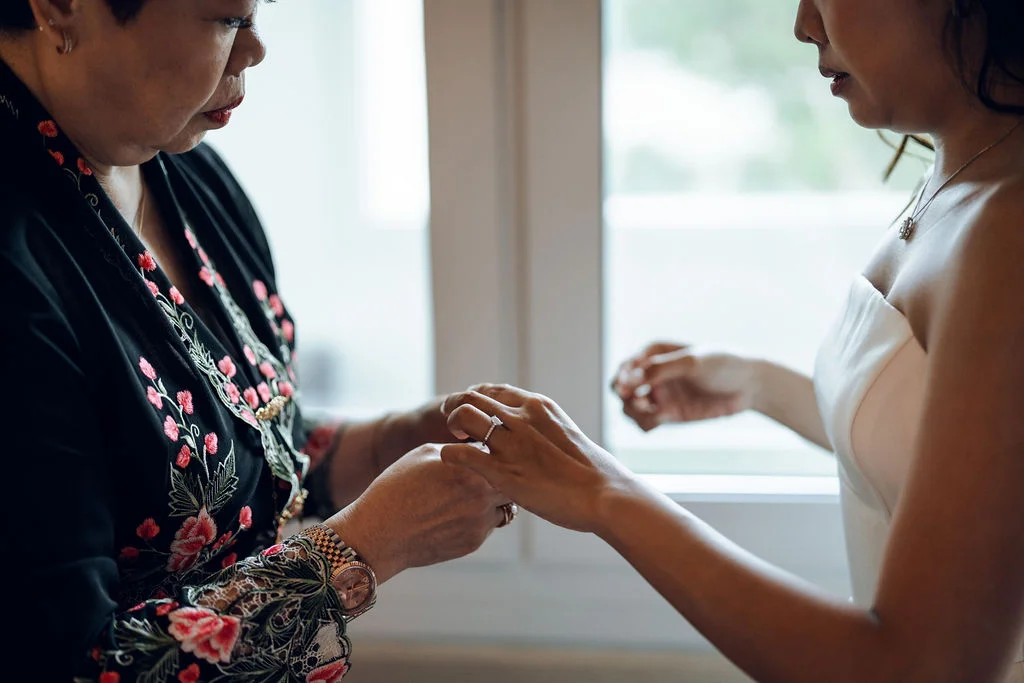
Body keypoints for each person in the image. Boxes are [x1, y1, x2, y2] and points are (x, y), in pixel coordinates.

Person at [439, 0, 1024, 681]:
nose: (804, 24)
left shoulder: (1009, 231)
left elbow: (919, 664)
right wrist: (761, 386)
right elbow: (943, 457)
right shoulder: (959, 171)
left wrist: (606, 493)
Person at [0, 1, 520, 681]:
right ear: (63, 5)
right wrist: (362, 549)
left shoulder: (184, 173)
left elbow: (228, 449)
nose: (257, 50)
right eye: (226, 19)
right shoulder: (16, 260)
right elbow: (69, 661)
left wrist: (386, 441)